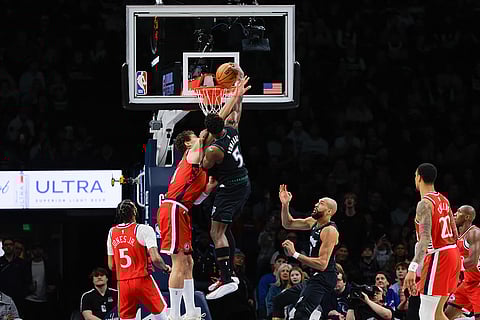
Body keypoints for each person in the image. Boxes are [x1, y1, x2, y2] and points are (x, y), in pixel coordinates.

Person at [158, 76, 251, 318]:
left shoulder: (198, 164)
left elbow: (197, 200)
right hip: (173, 209)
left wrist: (208, 189)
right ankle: (174, 315)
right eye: (195, 137)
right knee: (179, 263)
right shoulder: (192, 154)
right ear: (188, 144)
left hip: (183, 209)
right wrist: (234, 95)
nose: (200, 136)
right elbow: (214, 124)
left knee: (187, 262)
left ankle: (189, 311)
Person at [201, 67, 252, 300]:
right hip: (243, 182)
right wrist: (238, 86)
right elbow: (237, 109)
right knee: (224, 228)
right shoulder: (232, 129)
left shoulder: (214, 150)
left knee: (215, 231)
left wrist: (201, 141)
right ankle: (228, 274)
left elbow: (203, 165)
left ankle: (226, 277)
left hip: (230, 187)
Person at [272, 184, 339, 320]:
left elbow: (322, 264)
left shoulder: (330, 230)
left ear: (329, 211)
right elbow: (288, 224)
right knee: (278, 301)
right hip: (314, 276)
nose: (316, 204)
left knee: (301, 314)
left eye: (321, 203)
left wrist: (295, 254)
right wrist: (285, 205)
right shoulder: (313, 222)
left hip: (324, 278)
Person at [404, 163, 460, 320]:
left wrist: (412, 268)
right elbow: (455, 233)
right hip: (452, 253)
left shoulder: (424, 204)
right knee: (437, 313)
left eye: (415, 176)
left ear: (419, 177)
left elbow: (425, 239)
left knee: (426, 314)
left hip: (439, 256)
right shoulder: (444, 199)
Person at [107, 199, 171, 320]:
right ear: (135, 212)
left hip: (123, 282)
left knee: (127, 318)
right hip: (142, 279)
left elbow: (111, 266)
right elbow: (156, 259)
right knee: (161, 314)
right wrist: (166, 268)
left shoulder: (112, 232)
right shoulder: (143, 229)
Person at [445, 205, 480, 319]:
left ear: (467, 217)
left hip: (478, 283)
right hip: (467, 282)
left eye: (459, 212)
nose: (455, 214)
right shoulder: (458, 236)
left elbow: (472, 262)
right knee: (446, 315)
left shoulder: (474, 233)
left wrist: (450, 266)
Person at [24, 242, 59, 320]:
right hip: (30, 299)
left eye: (39, 249)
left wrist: (53, 287)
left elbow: (57, 279)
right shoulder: (26, 265)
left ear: (43, 250)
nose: (37, 251)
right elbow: (21, 281)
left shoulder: (49, 265)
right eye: (35, 249)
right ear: (32, 251)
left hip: (46, 300)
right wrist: (28, 287)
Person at [0, 238, 30, 318]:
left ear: (13, 247)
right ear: (3, 247)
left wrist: (24, 293)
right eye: (6, 245)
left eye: (10, 244)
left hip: (18, 298)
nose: (8, 247)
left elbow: (27, 279)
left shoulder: (22, 263)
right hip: (3, 299)